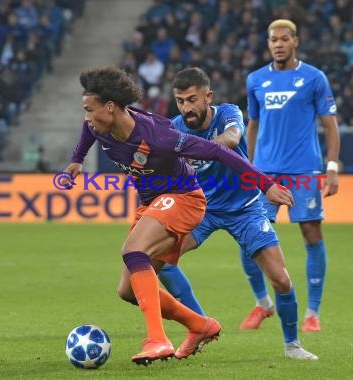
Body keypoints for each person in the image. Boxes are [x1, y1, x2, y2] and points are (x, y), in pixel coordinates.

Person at [63, 66, 294, 365]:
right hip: (153, 202)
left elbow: (220, 152)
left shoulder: (159, 136)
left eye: (89, 110)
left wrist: (266, 184)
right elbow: (87, 131)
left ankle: (157, 340)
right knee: (129, 290)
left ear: (109, 108)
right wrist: (76, 160)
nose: (86, 118)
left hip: (185, 199)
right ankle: (200, 325)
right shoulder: (100, 126)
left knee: (134, 251)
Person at [159, 67, 317, 360]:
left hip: (245, 207)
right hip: (200, 209)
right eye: (180, 101)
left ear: (208, 96)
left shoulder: (227, 113)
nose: (186, 107)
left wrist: (194, 150)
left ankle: (293, 345)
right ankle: (200, 325)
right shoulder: (174, 128)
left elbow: (231, 139)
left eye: (192, 99)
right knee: (160, 261)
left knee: (281, 280)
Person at [246, 19, 341, 333]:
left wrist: (332, 167)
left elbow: (330, 126)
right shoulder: (256, 80)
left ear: (295, 41)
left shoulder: (314, 78)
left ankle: (312, 312)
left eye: (284, 39)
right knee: (249, 237)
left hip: (303, 170)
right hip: (265, 173)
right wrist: (247, 167)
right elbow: (253, 126)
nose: (278, 44)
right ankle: (263, 304)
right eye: (273, 39)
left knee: (312, 235)